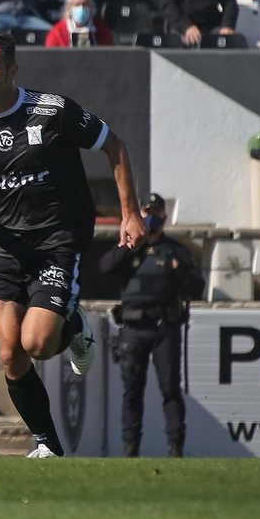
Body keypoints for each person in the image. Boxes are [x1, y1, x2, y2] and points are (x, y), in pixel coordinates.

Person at [0, 31, 147, 458]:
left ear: (12, 71)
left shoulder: (51, 112)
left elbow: (114, 145)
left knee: (36, 343)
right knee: (10, 351)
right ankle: (48, 446)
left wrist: (130, 211)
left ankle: (73, 325)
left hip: (56, 242)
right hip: (3, 248)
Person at [99, 194, 199, 458]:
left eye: (156, 213)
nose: (151, 217)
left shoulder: (176, 250)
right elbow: (105, 267)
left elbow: (196, 286)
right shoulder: (131, 247)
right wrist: (127, 245)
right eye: (147, 213)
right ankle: (131, 450)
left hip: (164, 327)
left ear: (164, 218)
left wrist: (180, 271)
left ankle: (176, 448)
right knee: (132, 391)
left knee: (170, 389)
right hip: (132, 327)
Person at [44, 0, 114, 47]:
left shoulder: (101, 29)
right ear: (69, 7)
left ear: (91, 6)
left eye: (85, 4)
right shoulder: (57, 32)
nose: (81, 8)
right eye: (77, 5)